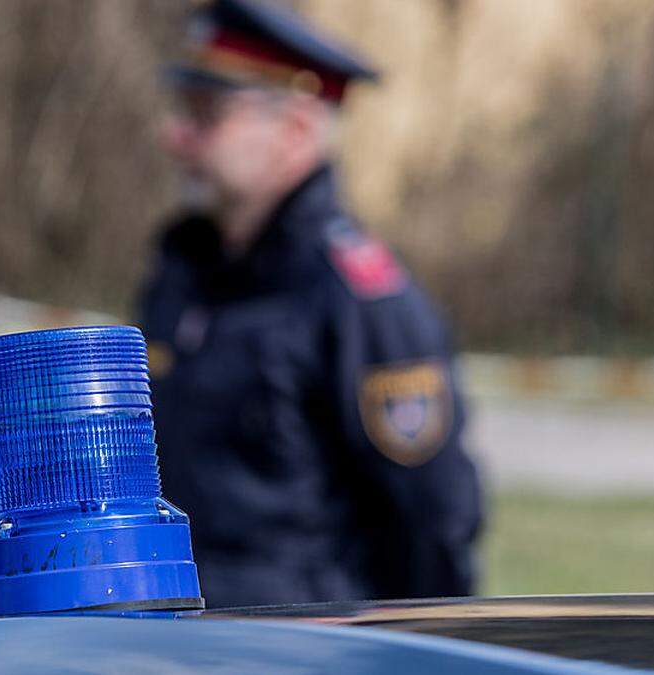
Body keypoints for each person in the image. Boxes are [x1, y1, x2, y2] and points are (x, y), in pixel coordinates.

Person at [138, 0, 483, 608]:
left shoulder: (358, 299)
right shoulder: (183, 272)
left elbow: (433, 523)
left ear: (295, 128)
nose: (175, 136)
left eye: (206, 114)